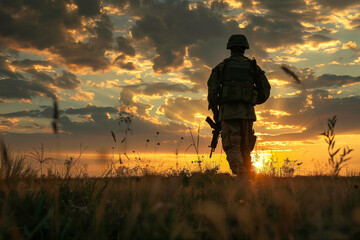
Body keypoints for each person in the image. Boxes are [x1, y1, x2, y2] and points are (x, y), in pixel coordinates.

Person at [207, 34, 271, 175]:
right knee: (245, 148)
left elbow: (212, 92)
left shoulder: (222, 67)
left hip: (228, 114)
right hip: (247, 114)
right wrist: (251, 101)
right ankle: (248, 180)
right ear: (244, 48)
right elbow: (266, 90)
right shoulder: (253, 67)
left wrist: (217, 112)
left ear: (230, 48)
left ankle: (243, 178)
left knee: (232, 147)